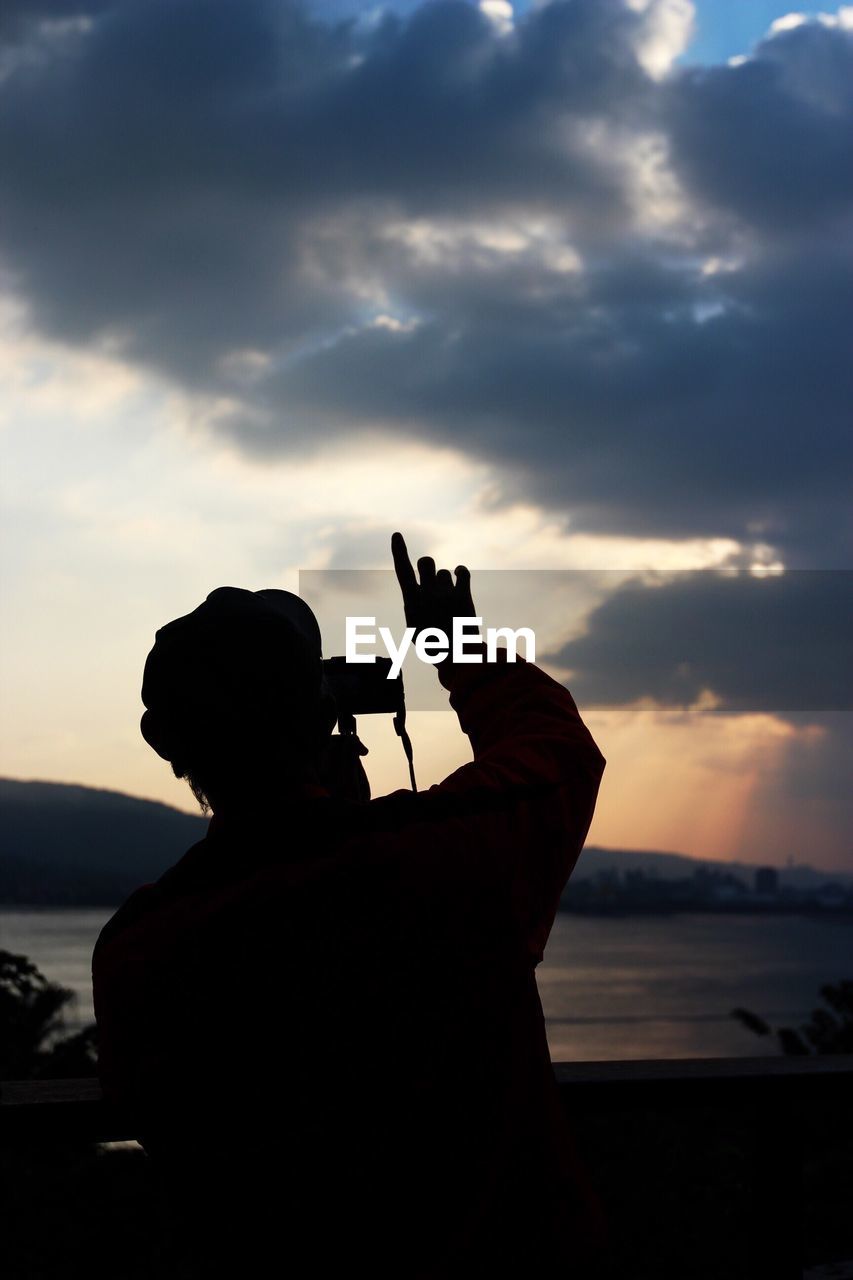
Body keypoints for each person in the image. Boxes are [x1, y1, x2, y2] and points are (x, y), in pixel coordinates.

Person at [92, 534, 607, 1277]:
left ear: (164, 742)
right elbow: (556, 751)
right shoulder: (442, 857)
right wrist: (456, 643)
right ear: (321, 715)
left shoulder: (140, 946)